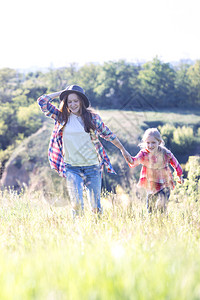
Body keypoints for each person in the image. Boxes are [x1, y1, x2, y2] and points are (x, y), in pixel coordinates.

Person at [37, 84, 132, 216]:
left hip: (92, 168)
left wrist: (122, 149)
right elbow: (42, 102)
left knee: (95, 206)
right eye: (69, 101)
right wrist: (63, 92)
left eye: (76, 101)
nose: (73, 104)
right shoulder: (62, 117)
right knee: (76, 204)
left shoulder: (93, 118)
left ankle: (97, 230)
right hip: (72, 168)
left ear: (81, 101)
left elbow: (108, 134)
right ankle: (78, 232)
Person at [128, 128, 184, 213]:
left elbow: (175, 163)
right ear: (145, 143)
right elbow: (134, 161)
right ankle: (153, 223)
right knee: (150, 209)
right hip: (151, 186)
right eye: (148, 143)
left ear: (159, 142)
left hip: (164, 184)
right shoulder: (143, 153)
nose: (150, 145)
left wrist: (180, 176)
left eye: (153, 142)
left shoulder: (165, 153)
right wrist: (128, 157)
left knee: (161, 205)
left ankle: (163, 221)